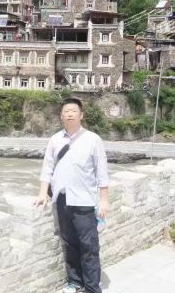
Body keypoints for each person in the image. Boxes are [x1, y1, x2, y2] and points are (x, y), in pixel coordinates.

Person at [34, 97, 109, 293]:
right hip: (62, 199)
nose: (69, 114)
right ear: (61, 116)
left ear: (81, 115)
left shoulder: (93, 139)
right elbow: (47, 168)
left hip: (84, 200)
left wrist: (104, 201)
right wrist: (42, 193)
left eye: (73, 111)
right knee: (69, 243)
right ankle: (75, 281)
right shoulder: (55, 139)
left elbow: (102, 173)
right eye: (66, 111)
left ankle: (92, 287)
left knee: (89, 246)